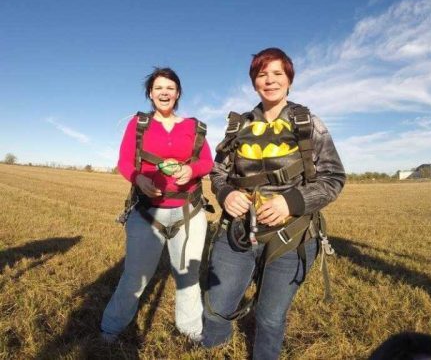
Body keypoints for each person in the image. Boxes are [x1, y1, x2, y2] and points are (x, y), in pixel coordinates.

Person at [201, 48, 346, 359]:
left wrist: (291, 201)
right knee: (216, 308)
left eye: (277, 73)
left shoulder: (307, 122)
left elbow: (333, 178)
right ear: (254, 82)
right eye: (262, 74)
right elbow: (218, 173)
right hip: (237, 232)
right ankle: (212, 351)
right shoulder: (238, 126)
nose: (270, 80)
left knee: (269, 318)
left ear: (289, 80)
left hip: (291, 237)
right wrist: (226, 194)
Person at [101, 67, 213, 342]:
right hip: (146, 212)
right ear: (150, 94)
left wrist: (192, 171)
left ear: (178, 93)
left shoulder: (194, 127)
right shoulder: (139, 125)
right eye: (159, 88)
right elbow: (125, 162)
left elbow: (207, 161)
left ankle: (191, 332)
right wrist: (138, 178)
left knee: (188, 277)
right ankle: (111, 328)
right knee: (134, 277)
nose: (164, 92)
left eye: (170, 88)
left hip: (189, 212)